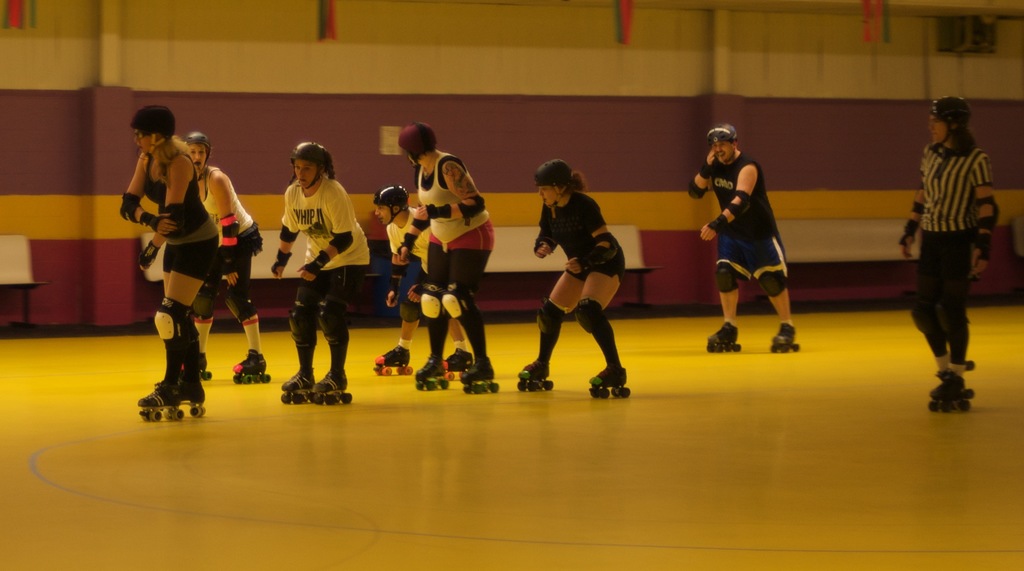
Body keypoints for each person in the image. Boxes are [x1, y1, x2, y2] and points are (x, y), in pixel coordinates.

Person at [121, 105, 219, 420]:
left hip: (199, 242)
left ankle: (170, 383)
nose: (136, 140)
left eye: (140, 135)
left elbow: (173, 218)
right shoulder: (146, 159)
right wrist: (149, 220)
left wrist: (152, 232)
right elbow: (127, 203)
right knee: (178, 315)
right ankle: (191, 384)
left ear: (156, 135)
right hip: (176, 241)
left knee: (168, 316)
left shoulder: (179, 163)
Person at [900, 96, 997, 412]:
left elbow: (987, 206)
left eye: (935, 122)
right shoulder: (931, 152)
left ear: (953, 124)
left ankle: (957, 373)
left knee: (950, 309)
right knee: (923, 310)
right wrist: (910, 229)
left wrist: (983, 246)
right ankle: (944, 371)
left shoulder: (976, 159)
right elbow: (923, 191)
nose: (930, 128)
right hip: (932, 238)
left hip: (958, 240)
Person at [395, 122, 497, 394]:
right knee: (431, 297)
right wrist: (408, 240)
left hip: (471, 233)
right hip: (441, 237)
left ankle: (483, 363)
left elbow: (475, 203)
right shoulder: (421, 170)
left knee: (457, 297)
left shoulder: (448, 166)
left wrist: (436, 213)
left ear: (411, 151)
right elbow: (424, 212)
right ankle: (435, 360)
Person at [519, 159, 630, 398]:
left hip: (604, 262)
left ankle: (615, 369)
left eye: (544, 189)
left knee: (588, 310)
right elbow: (547, 233)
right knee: (549, 313)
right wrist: (544, 245)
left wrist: (586, 262)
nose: (540, 194)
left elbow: (606, 243)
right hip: (579, 264)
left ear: (559, 187)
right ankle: (542, 364)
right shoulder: (550, 206)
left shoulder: (584, 205)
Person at [272, 142, 370, 405]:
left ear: (321, 170)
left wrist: (317, 263)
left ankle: (337, 375)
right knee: (301, 314)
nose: (301, 173)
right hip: (318, 259)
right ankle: (305, 375)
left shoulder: (333, 192)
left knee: (330, 315)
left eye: (307, 168)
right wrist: (281, 259)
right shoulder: (292, 193)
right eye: (297, 167)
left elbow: (345, 237)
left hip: (349, 258)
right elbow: (289, 229)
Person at [688, 123, 797, 353]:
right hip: (732, 234)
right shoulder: (715, 165)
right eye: (714, 146)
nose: (718, 150)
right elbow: (695, 192)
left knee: (771, 280)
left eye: (722, 145)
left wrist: (716, 223)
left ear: (734, 144)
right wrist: (706, 169)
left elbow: (741, 202)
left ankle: (787, 326)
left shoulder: (747, 166)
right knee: (724, 274)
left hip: (759, 233)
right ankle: (729, 326)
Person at [371, 184, 468, 387]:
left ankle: (463, 353)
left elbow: (443, 256)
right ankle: (402, 350)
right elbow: (399, 259)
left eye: (380, 208)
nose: (376, 212)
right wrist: (393, 287)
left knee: (443, 304)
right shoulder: (392, 228)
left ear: (395, 208)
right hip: (432, 266)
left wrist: (425, 285)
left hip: (454, 262)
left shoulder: (424, 223)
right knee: (410, 306)